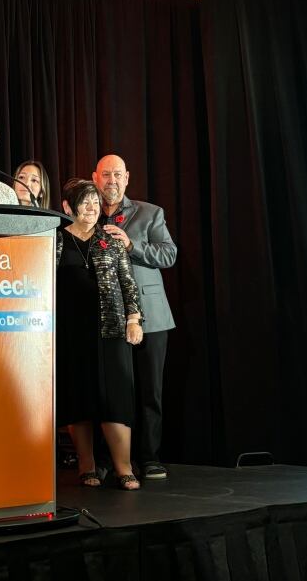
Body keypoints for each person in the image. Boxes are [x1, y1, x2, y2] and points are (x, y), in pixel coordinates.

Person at [93, 154, 177, 480]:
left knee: (150, 391)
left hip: (151, 318)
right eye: (105, 175)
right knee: (112, 392)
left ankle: (150, 457)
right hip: (110, 318)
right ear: (95, 178)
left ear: (126, 178)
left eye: (117, 174)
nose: (111, 180)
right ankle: (111, 461)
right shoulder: (88, 213)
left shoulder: (150, 213)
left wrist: (131, 246)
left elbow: (168, 255)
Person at [56, 178, 143, 491]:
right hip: (70, 331)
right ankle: (86, 464)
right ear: (68, 207)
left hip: (110, 328)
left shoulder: (111, 239)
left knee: (116, 396)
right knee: (78, 396)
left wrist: (134, 319)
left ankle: (123, 467)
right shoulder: (54, 240)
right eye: (85, 202)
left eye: (95, 202)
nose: (92, 208)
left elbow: (128, 283)